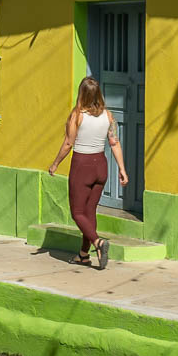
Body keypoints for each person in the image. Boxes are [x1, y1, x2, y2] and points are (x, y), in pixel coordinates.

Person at [48, 77, 128, 269]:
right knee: (89, 212)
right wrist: (122, 169)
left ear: (81, 93)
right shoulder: (108, 116)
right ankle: (83, 255)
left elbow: (68, 143)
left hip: (82, 166)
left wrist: (55, 163)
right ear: (98, 94)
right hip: (101, 166)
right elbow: (115, 142)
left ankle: (97, 242)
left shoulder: (77, 115)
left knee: (77, 213)